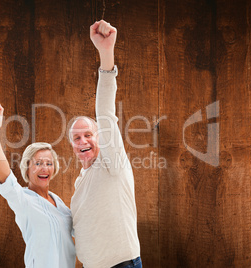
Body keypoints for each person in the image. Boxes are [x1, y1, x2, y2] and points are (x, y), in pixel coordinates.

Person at [69, 20, 142, 268]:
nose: (83, 141)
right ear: (73, 148)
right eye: (76, 138)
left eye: (88, 134)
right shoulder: (81, 181)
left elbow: (105, 112)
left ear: (100, 137)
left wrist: (105, 52)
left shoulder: (111, 162)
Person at [0, 103, 76, 268]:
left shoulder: (60, 204)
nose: (44, 168)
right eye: (38, 163)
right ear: (27, 168)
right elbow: (4, 176)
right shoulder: (23, 200)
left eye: (49, 163)